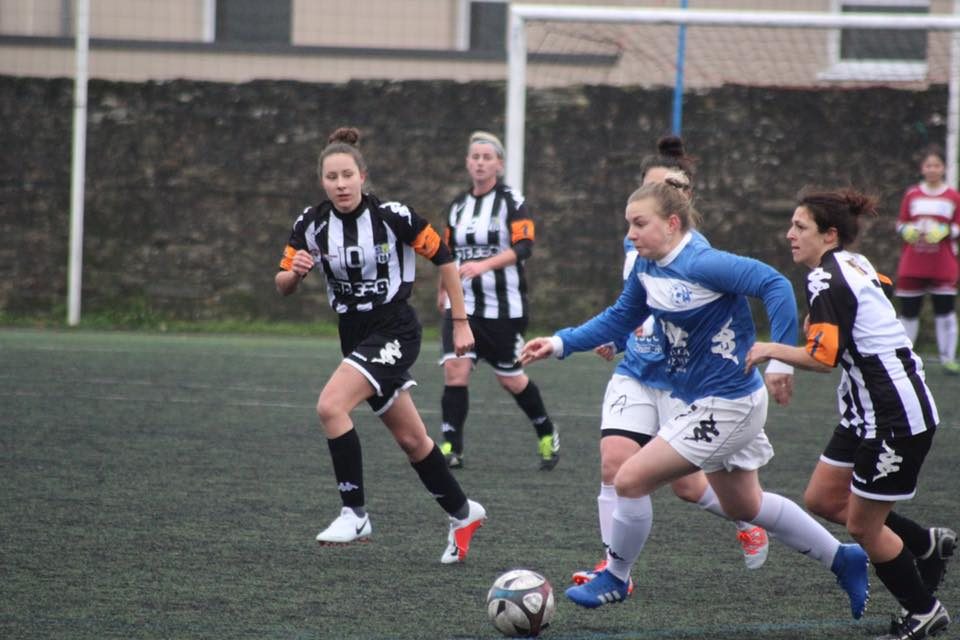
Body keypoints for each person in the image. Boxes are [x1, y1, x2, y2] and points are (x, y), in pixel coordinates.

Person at [520, 182, 869, 620]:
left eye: (639, 223)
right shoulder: (647, 267)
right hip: (710, 402)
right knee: (745, 505)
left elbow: (775, 284)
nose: (631, 234)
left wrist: (781, 361)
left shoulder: (702, 263)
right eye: (628, 224)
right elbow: (621, 317)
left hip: (728, 404)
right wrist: (559, 343)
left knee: (629, 480)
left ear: (672, 223)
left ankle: (615, 576)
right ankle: (843, 558)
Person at [746, 187, 952, 640]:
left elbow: (823, 358)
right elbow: (882, 286)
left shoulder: (826, 278)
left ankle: (924, 611)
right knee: (823, 499)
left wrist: (770, 350)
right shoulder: (851, 263)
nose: (790, 234)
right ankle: (925, 544)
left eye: (800, 227)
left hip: (895, 417)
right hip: (865, 411)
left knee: (862, 526)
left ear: (830, 235)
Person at [276, 126, 486, 564]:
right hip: (354, 335)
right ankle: (463, 512)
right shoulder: (310, 224)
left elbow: (445, 257)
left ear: (362, 176)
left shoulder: (393, 217)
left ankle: (354, 513)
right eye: (331, 177)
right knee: (412, 439)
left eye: (347, 175)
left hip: (395, 329)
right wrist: (294, 272)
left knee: (330, 406)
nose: (340, 184)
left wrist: (460, 321)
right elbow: (282, 284)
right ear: (322, 182)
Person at [571, 137, 771, 590]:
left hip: (681, 380)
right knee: (613, 462)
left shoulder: (698, 255)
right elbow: (634, 308)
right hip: (637, 372)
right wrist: (617, 338)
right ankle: (613, 569)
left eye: (673, 190)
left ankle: (749, 519)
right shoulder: (636, 246)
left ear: (680, 205)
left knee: (688, 487)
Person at [435, 130, 559, 470]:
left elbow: (525, 247)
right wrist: (443, 289)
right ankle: (451, 447)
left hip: (503, 308)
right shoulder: (457, 207)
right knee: (455, 371)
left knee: (511, 379)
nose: (480, 163)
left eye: (487, 157)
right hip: (462, 306)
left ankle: (546, 431)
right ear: (467, 163)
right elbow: (446, 252)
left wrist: (484, 265)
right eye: (475, 157)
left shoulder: (512, 202)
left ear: (499, 165)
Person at [894, 144, 960, 375]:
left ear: (944, 168)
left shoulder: (953, 197)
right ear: (922, 168)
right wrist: (906, 231)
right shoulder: (912, 195)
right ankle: (903, 360)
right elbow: (900, 223)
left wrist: (946, 231)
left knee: (945, 312)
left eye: (937, 165)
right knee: (908, 313)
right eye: (928, 165)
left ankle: (948, 359)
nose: (932, 169)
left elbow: (958, 226)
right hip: (913, 264)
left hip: (942, 265)